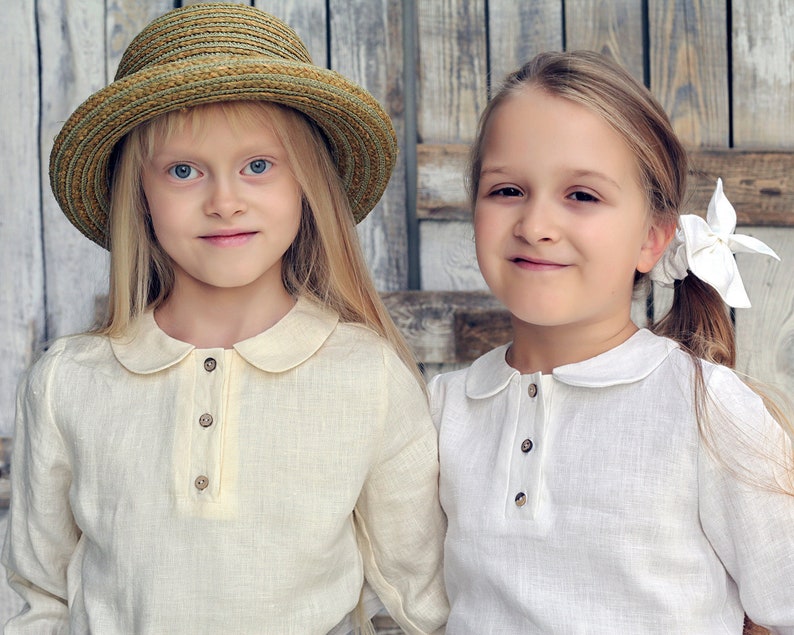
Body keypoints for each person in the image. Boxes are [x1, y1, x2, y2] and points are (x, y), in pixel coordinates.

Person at [2, 4, 448, 634]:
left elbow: (419, 604)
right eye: (184, 171)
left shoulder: (368, 377)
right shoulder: (68, 383)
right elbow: (34, 599)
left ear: (306, 185)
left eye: (258, 166)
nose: (225, 201)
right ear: (140, 194)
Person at [429, 50, 794, 633]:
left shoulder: (705, 407)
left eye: (582, 196)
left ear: (652, 237)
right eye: (506, 190)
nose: (535, 225)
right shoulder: (443, 409)